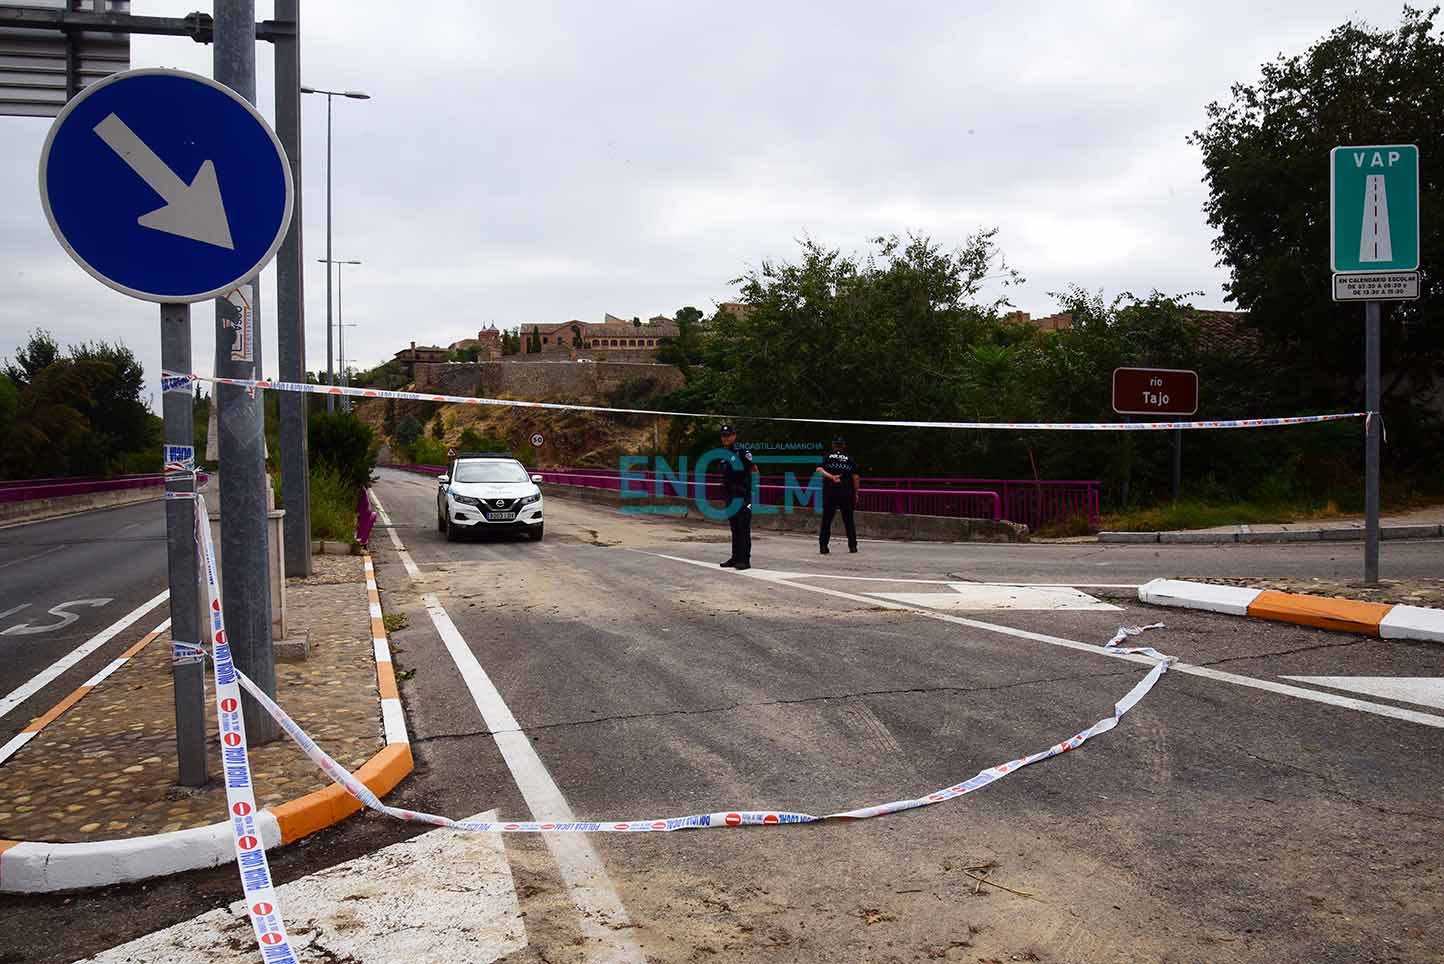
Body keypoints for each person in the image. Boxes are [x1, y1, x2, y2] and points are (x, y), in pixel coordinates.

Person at [717, 424, 757, 570]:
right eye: (723, 435)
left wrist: (751, 491)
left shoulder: (742, 452)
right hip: (730, 496)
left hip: (742, 495)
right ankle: (735, 557)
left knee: (743, 527)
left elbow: (754, 470)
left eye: (728, 435)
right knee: (734, 527)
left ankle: (745, 560)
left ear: (734, 436)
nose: (725, 438)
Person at [816, 435, 859, 554]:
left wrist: (831, 477)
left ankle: (823, 546)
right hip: (846, 492)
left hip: (830, 492)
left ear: (833, 445)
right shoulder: (850, 459)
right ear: (844, 445)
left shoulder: (827, 457)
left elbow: (819, 470)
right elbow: (855, 477)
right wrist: (856, 493)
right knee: (849, 520)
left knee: (827, 520)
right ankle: (852, 546)